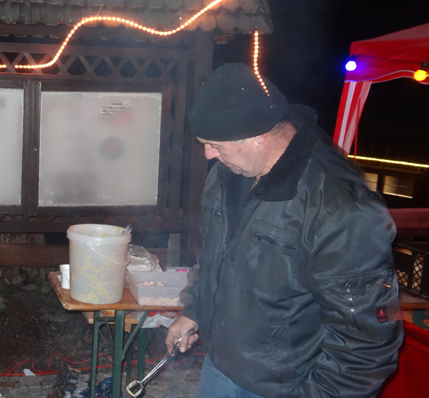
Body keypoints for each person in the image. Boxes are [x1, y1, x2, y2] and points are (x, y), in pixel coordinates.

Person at [166, 63, 403, 397]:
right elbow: (214, 257)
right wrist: (193, 311)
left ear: (258, 136)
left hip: (292, 386)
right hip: (222, 366)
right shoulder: (227, 174)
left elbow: (365, 342)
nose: (208, 154)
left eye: (215, 145)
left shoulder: (340, 207)